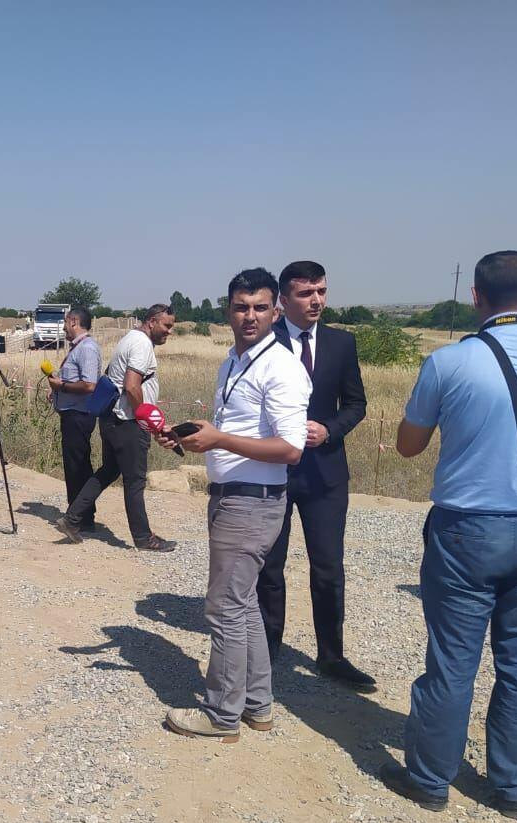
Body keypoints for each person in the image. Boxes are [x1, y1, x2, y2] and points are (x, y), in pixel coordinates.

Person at [384, 250, 517, 819]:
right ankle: (515, 787)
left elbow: (408, 446)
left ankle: (430, 779)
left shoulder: (448, 361)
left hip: (467, 530)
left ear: (475, 296)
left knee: (453, 660)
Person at [162, 268, 311, 741]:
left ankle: (222, 715)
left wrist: (220, 439)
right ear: (227, 311)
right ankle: (256, 704)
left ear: (276, 312)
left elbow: (291, 449)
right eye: (241, 307)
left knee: (224, 608)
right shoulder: (233, 360)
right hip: (233, 497)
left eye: (260, 308)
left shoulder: (281, 366)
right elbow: (236, 431)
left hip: (252, 502)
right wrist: (192, 439)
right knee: (242, 605)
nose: (250, 316)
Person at [258, 261, 374, 689]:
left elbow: (356, 404)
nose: (317, 300)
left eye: (321, 291)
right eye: (306, 294)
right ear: (284, 300)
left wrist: (329, 430)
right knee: (269, 566)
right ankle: (266, 651)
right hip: (274, 470)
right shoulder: (264, 342)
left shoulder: (342, 343)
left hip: (326, 474)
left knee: (328, 567)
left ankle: (331, 656)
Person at [56, 305, 178, 551]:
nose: (169, 331)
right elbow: (132, 386)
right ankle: (143, 538)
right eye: (166, 325)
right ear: (152, 322)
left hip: (112, 418)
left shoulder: (129, 338)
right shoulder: (142, 345)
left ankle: (72, 519)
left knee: (109, 470)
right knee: (135, 481)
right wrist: (147, 419)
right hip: (128, 422)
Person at [46, 306, 102, 531]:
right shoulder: (79, 348)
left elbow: (89, 385)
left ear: (74, 322)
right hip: (73, 414)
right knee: (76, 464)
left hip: (79, 415)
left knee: (77, 466)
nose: (63, 328)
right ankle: (81, 515)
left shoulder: (86, 348)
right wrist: (58, 390)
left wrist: (62, 386)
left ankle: (79, 517)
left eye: (65, 323)